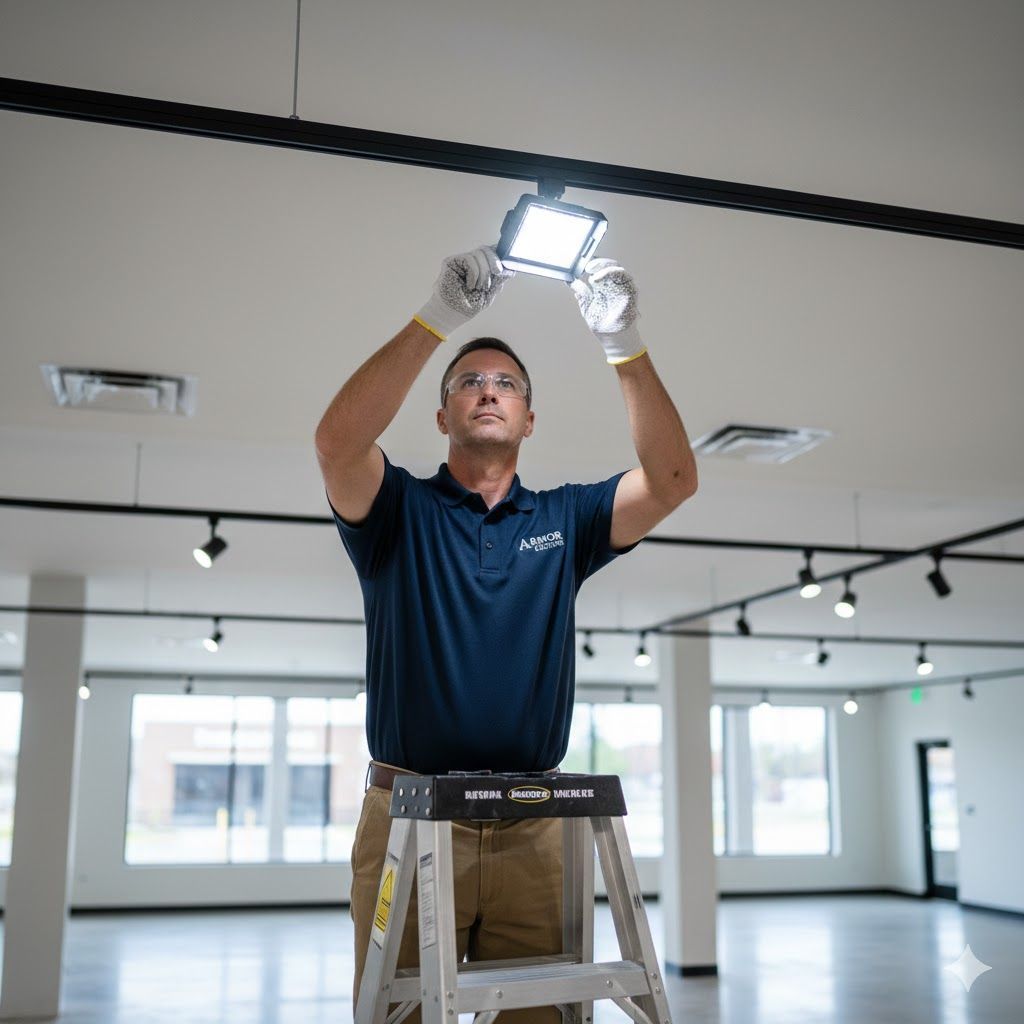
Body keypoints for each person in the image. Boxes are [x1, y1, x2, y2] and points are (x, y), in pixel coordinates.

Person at [314, 244, 698, 1022]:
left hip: (536, 825)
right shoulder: (397, 514)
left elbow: (673, 482)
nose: (488, 390)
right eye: (469, 383)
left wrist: (622, 343)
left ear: (529, 417)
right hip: (411, 817)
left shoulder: (565, 519)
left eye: (506, 385)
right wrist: (438, 318)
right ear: (443, 413)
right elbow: (336, 444)